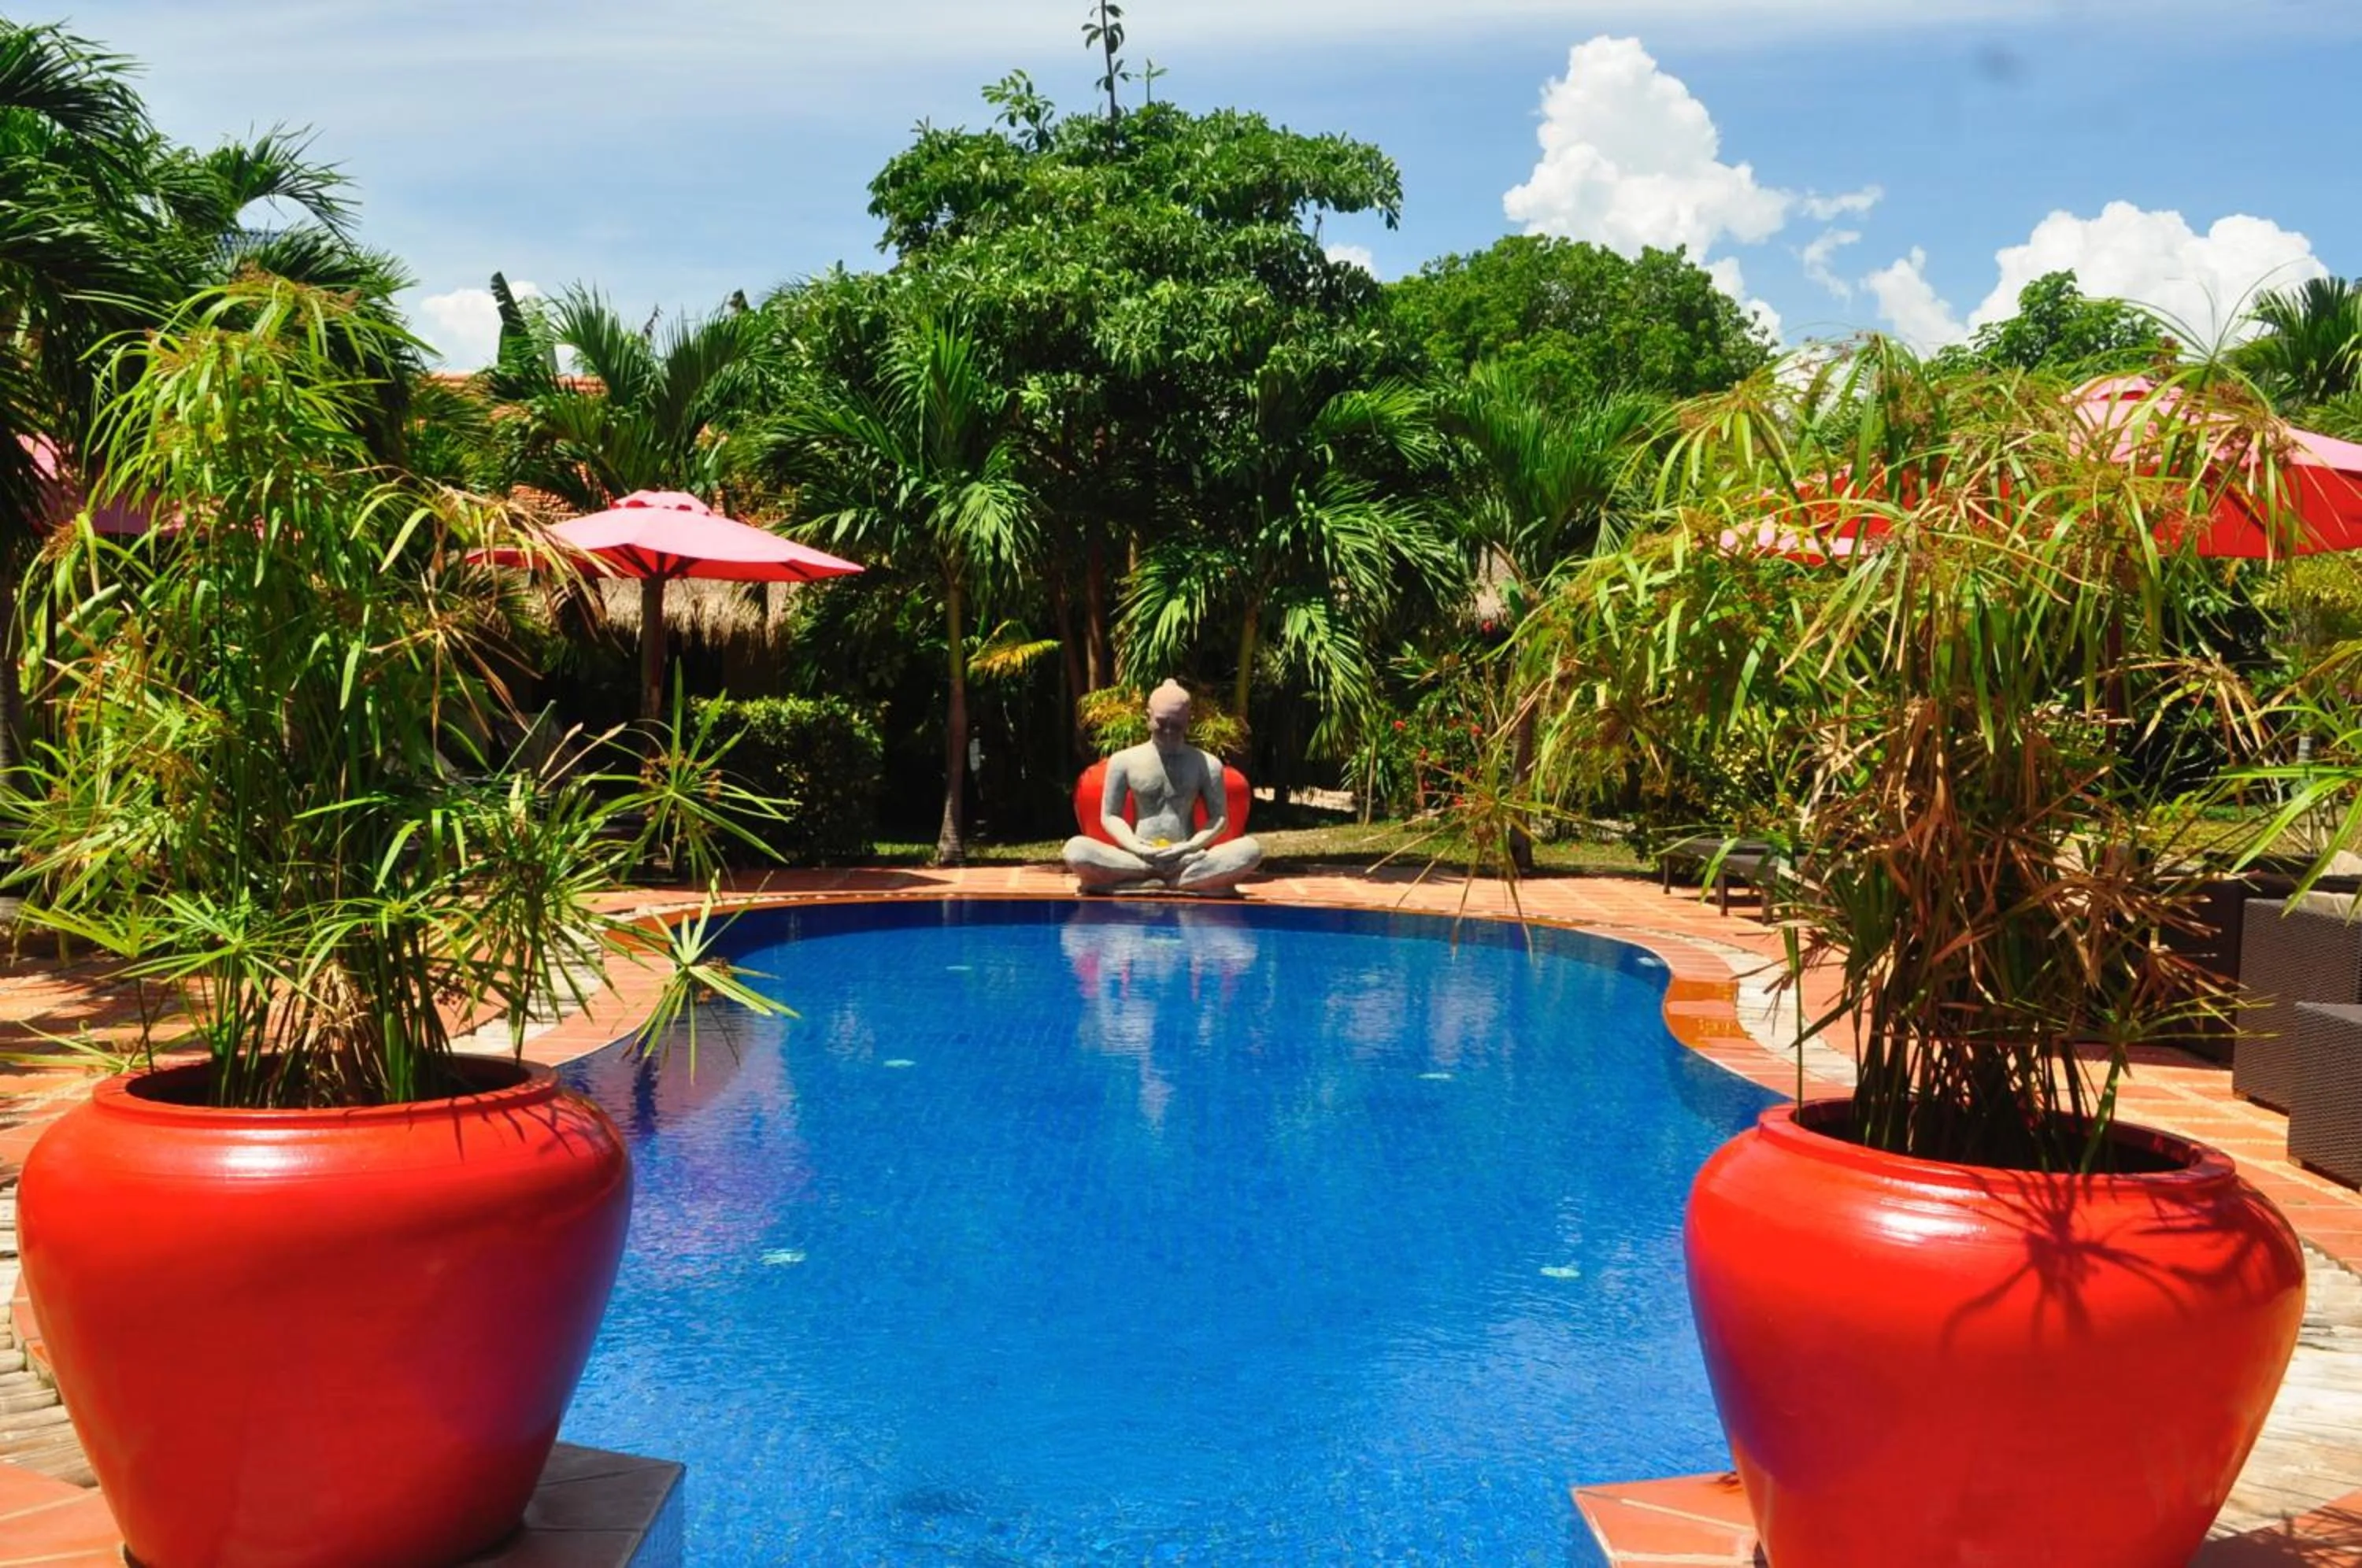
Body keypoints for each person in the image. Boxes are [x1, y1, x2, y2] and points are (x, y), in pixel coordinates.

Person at [1062, 681, 1263, 895]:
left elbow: (1219, 819)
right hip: (1136, 857)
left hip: (1188, 858)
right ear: (1148, 717)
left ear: (1189, 720)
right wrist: (1134, 845)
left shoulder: (1207, 764)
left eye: (1176, 724)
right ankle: (1179, 881)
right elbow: (1110, 815)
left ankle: (1144, 883)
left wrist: (1189, 847)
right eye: (1161, 722)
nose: (1168, 730)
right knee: (1076, 850)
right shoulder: (1124, 761)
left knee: (1250, 850)